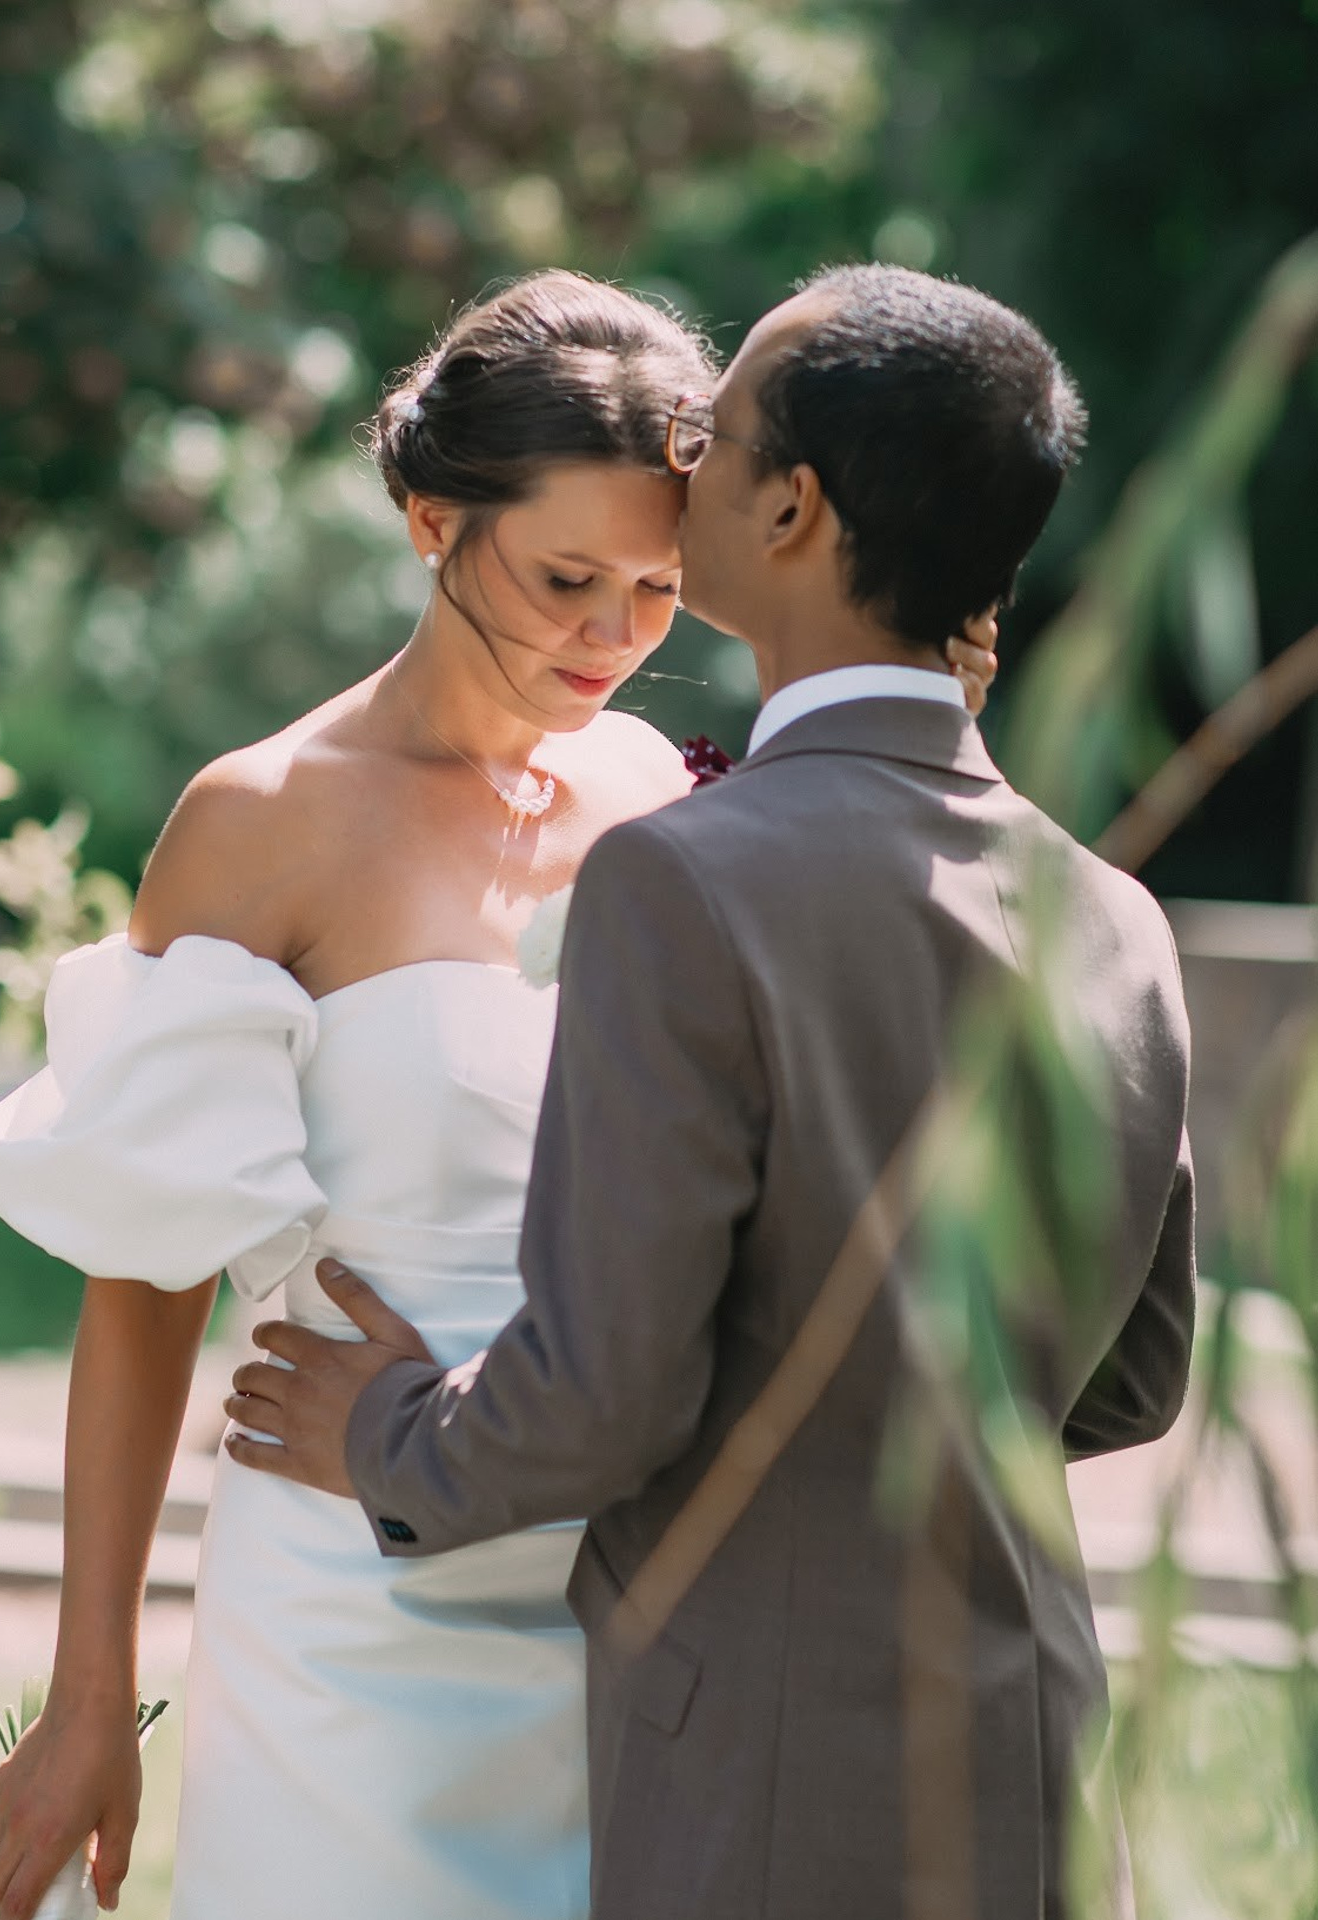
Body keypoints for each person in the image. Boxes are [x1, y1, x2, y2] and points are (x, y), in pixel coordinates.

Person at [0, 270, 1000, 1920]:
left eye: (660, 588)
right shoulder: (264, 819)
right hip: (347, 1610)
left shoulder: (675, 798)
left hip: (642, 1594)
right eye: (564, 578)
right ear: (430, 521)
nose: (611, 638)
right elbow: (147, 1280)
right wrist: (94, 1694)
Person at [228, 265, 1196, 1920]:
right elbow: (1136, 1380)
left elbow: (604, 1396)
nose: (682, 459)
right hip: (1034, 1745)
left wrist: (385, 1430)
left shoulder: (685, 881)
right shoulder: (1111, 917)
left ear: (794, 506)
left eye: (713, 429)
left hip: (763, 1764)